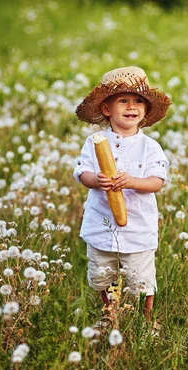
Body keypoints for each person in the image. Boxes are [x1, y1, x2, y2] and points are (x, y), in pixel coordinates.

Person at [73, 66, 171, 323]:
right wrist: (97, 180)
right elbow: (83, 173)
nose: (132, 107)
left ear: (146, 111)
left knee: (141, 278)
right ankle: (110, 313)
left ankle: (146, 320)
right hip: (101, 225)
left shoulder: (150, 147)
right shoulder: (94, 142)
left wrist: (132, 181)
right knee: (103, 273)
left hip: (138, 227)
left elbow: (156, 182)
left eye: (139, 101)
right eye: (123, 101)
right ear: (106, 109)